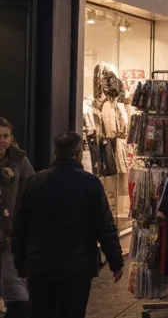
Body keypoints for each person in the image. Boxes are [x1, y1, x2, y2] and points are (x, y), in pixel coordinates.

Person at [12, 131, 124, 317]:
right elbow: (104, 226)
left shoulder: (34, 182)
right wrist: (116, 262)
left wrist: (21, 262)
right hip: (77, 266)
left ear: (55, 152)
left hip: (40, 264)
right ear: (79, 153)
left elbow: (19, 226)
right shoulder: (90, 183)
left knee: (41, 311)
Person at [0, 119, 32, 317]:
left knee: (14, 287)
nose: (2, 141)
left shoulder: (20, 161)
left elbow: (30, 191)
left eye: (5, 136)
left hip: (10, 233)